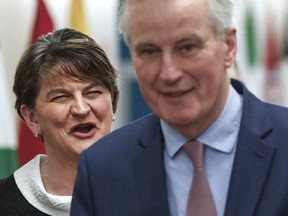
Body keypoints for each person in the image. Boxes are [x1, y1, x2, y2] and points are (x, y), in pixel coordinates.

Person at [71, 0, 288, 215]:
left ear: (229, 46)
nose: (169, 73)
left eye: (187, 47)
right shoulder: (101, 170)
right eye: (149, 51)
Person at [0, 27, 119, 216]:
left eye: (93, 92)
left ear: (112, 101)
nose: (81, 109)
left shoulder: (155, 186)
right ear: (32, 117)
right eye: (61, 97)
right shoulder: (4, 204)